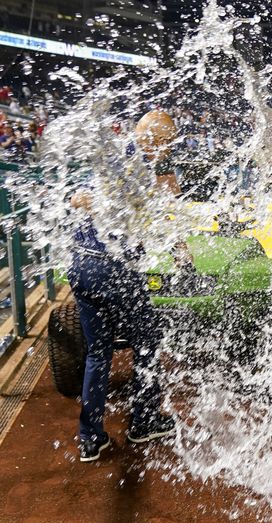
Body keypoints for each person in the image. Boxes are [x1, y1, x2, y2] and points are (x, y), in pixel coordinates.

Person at [69, 110, 180, 463]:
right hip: (112, 269)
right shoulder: (131, 162)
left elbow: (76, 198)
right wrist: (151, 193)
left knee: (98, 352)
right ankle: (144, 421)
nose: (167, 150)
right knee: (147, 340)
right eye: (166, 142)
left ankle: (90, 438)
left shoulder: (113, 155)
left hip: (82, 265)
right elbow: (83, 200)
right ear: (154, 139)